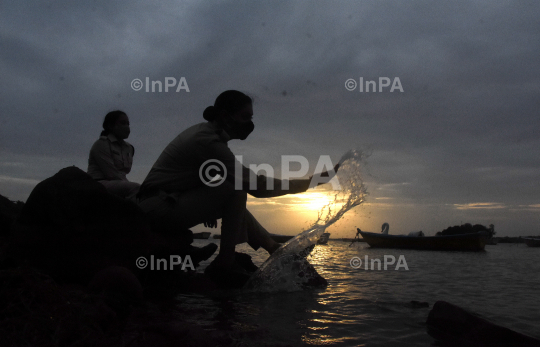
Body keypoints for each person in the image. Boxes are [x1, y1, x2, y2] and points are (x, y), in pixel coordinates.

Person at [137, 90, 338, 286]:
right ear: (225, 116)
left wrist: (208, 203)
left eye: (251, 117)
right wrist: (312, 181)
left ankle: (273, 248)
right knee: (237, 188)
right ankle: (226, 262)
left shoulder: (207, 135)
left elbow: (208, 182)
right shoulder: (208, 142)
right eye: (245, 117)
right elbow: (256, 186)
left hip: (162, 203)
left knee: (234, 188)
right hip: (155, 208)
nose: (249, 123)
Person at [87, 110, 141, 200]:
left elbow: (123, 172)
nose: (127, 127)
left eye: (128, 124)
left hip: (119, 182)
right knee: (135, 188)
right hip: (99, 183)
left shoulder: (129, 148)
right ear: (110, 126)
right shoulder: (101, 144)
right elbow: (111, 174)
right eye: (123, 123)